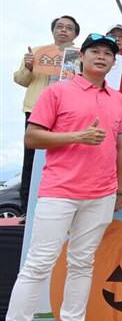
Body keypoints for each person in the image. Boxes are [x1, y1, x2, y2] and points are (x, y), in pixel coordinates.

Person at [1, 34, 122, 321]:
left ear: (114, 62)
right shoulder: (57, 91)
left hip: (101, 193)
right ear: (81, 58)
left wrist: (120, 188)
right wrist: (78, 136)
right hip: (59, 191)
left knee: (82, 264)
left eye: (107, 54)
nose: (101, 57)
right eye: (95, 52)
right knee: (38, 264)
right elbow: (32, 137)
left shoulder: (118, 100)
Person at [13, 15, 80, 215]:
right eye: (59, 27)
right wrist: (28, 66)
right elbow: (21, 80)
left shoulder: (79, 55)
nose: (63, 30)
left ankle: (60, 206)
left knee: (65, 157)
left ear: (75, 34)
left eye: (69, 28)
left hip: (66, 112)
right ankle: (27, 209)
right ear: (53, 31)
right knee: (31, 160)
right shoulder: (37, 52)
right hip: (37, 110)